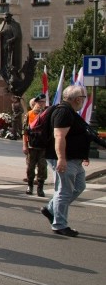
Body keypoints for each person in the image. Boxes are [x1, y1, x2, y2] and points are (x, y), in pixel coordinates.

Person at [41, 86, 90, 237]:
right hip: (64, 159)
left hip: (74, 159)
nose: (83, 101)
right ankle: (59, 225)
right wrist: (61, 159)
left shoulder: (70, 112)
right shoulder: (63, 112)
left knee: (79, 186)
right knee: (64, 191)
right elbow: (59, 136)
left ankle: (51, 209)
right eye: (83, 98)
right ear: (77, 99)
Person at [23, 94, 48, 197]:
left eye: (44, 102)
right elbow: (24, 131)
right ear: (36, 102)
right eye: (40, 102)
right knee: (30, 166)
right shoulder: (29, 114)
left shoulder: (47, 114)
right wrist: (24, 145)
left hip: (43, 145)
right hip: (32, 145)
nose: (42, 104)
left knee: (42, 166)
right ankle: (30, 186)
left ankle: (40, 188)